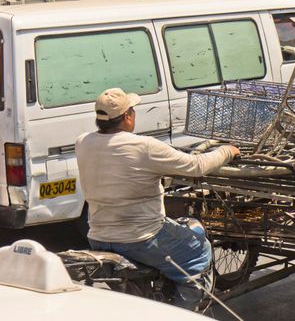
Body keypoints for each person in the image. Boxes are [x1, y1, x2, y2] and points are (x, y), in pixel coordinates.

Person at [75, 87, 240, 310]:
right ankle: (185, 313)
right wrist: (227, 151)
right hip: (141, 238)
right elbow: (196, 166)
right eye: (132, 110)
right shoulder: (144, 147)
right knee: (200, 250)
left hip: (98, 236)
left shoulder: (82, 142)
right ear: (127, 117)